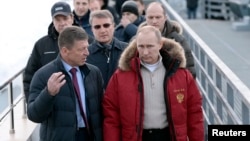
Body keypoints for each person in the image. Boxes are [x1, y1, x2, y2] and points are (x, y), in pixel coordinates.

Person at [103, 25, 204, 141]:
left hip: (169, 136)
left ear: (160, 44)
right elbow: (111, 116)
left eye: (150, 46)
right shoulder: (120, 76)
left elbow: (194, 113)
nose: (145, 52)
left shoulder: (181, 75)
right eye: (141, 46)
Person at [27, 26, 104, 141]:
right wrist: (48, 94)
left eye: (87, 48)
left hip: (90, 136)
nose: (87, 53)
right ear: (65, 51)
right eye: (81, 49)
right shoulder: (43, 75)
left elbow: (102, 108)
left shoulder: (93, 73)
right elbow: (34, 115)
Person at [23, 1, 74, 103]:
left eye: (65, 18)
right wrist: (33, 104)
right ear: (52, 20)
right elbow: (29, 76)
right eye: (57, 19)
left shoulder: (86, 42)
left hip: (79, 104)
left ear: (72, 18)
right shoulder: (41, 45)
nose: (62, 23)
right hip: (50, 105)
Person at [143, 2, 196, 78]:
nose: (154, 21)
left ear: (165, 17)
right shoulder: (136, 41)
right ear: (145, 18)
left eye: (158, 17)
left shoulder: (178, 41)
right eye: (151, 17)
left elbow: (190, 70)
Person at [87, 10, 128, 88]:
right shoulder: (85, 54)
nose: (102, 30)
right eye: (97, 27)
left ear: (113, 26)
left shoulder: (127, 50)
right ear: (92, 29)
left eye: (106, 25)